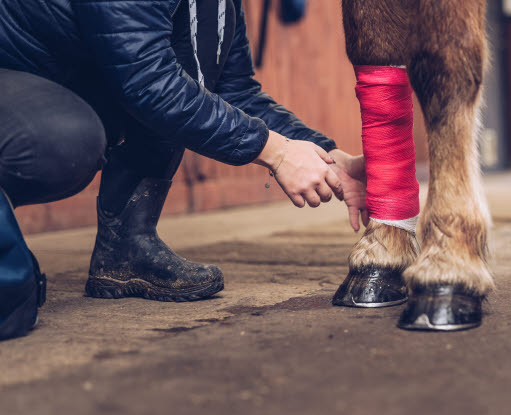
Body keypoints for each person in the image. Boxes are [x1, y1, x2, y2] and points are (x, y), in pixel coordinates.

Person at [0, 0, 368, 340]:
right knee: (68, 141)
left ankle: (126, 249)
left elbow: (234, 91)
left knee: (188, 77)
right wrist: (278, 153)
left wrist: (328, 155)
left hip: (60, 81)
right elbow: (151, 85)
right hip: (16, 84)